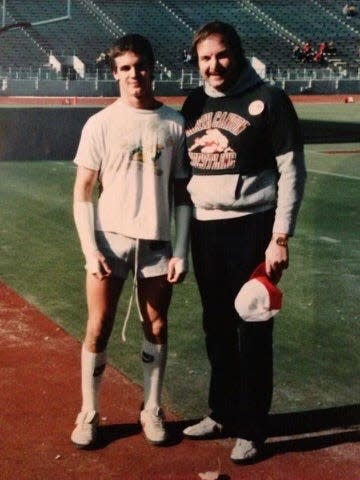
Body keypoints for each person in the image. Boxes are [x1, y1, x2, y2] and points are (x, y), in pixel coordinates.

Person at [181, 21, 306, 463]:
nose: (213, 66)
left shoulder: (270, 99)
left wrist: (280, 236)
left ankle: (252, 427)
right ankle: (221, 412)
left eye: (221, 55)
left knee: (252, 327)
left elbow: (291, 171)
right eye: (205, 58)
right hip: (205, 229)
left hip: (253, 228)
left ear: (237, 53)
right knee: (216, 326)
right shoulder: (193, 103)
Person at [70, 33, 191, 449]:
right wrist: (90, 250)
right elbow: (83, 191)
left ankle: (151, 408)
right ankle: (89, 412)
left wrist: (180, 250)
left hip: (156, 243)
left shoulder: (175, 123)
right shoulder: (100, 123)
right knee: (98, 326)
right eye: (125, 68)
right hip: (109, 240)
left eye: (140, 65)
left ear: (152, 67)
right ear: (116, 73)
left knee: (156, 325)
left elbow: (182, 194)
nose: (134, 74)